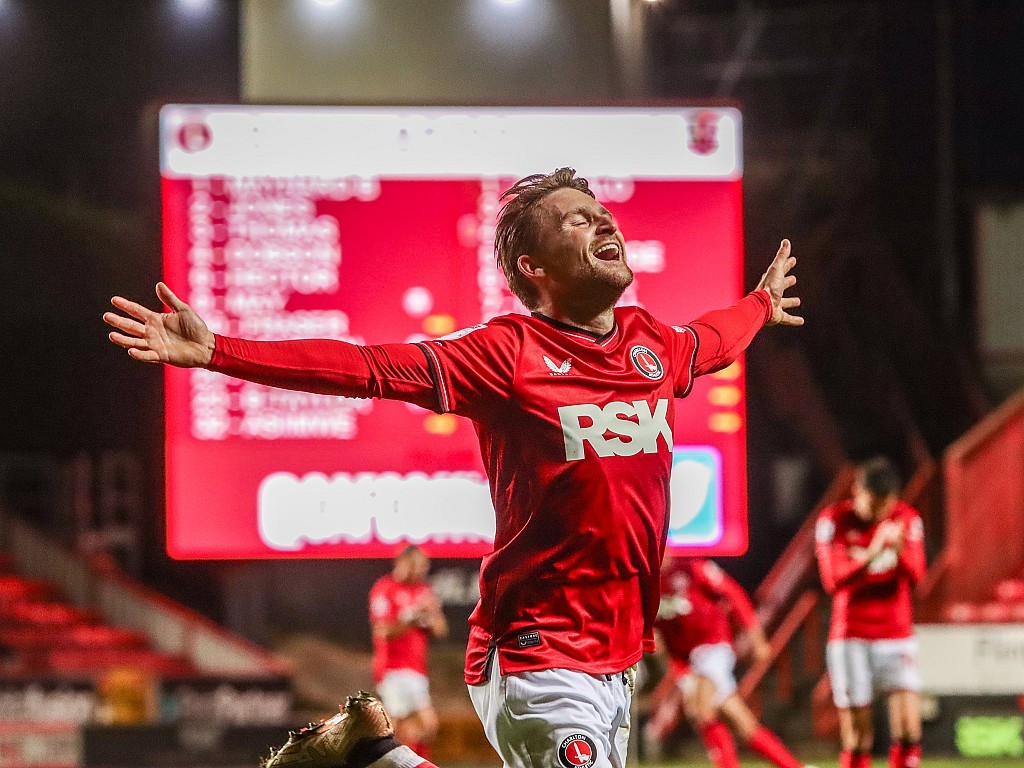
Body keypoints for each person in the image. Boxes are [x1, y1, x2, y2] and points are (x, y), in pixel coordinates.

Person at [104, 168, 802, 768]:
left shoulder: (652, 343)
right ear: (535, 267)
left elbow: (713, 340)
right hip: (538, 647)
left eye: (602, 214)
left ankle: (375, 755)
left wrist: (761, 304)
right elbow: (368, 367)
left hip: (616, 655)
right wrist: (221, 350)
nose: (601, 222)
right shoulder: (505, 354)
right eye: (575, 220)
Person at [815, 457, 926, 768]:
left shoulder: (907, 518)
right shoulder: (833, 521)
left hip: (897, 633)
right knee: (857, 735)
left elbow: (918, 574)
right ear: (856, 491)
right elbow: (833, 580)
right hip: (851, 637)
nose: (878, 513)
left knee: (908, 729)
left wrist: (899, 550)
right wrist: (874, 552)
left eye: (885, 505)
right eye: (872, 503)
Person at [648, 557, 810, 768]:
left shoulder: (692, 568)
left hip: (713, 647)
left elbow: (733, 594)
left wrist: (757, 639)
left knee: (700, 707)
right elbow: (660, 637)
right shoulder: (646, 584)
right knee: (740, 721)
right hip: (687, 663)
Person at [369, 546, 448, 758]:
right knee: (406, 727)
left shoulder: (423, 591)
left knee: (419, 729)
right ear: (402, 563)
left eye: (424, 567)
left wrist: (429, 617)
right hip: (393, 668)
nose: (421, 571)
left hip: (416, 669)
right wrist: (412, 617)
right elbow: (383, 631)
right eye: (416, 566)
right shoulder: (385, 589)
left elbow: (440, 629)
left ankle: (404, 762)